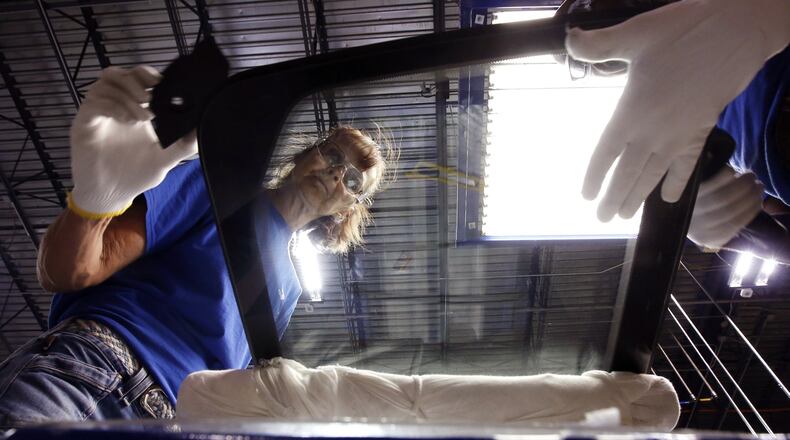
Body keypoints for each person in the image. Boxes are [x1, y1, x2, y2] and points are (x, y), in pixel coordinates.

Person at [0, 65, 394, 427]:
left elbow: (235, 380)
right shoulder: (222, 190)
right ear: (306, 154)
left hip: (175, 422)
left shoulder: (289, 286)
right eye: (333, 154)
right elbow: (71, 270)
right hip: (99, 370)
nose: (337, 172)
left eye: (353, 181)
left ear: (347, 209)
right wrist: (96, 199)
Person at [559, 0, 790, 258]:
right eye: (581, 63)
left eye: (583, 8)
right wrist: (734, 226)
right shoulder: (682, 123)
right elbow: (775, 224)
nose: (592, 37)